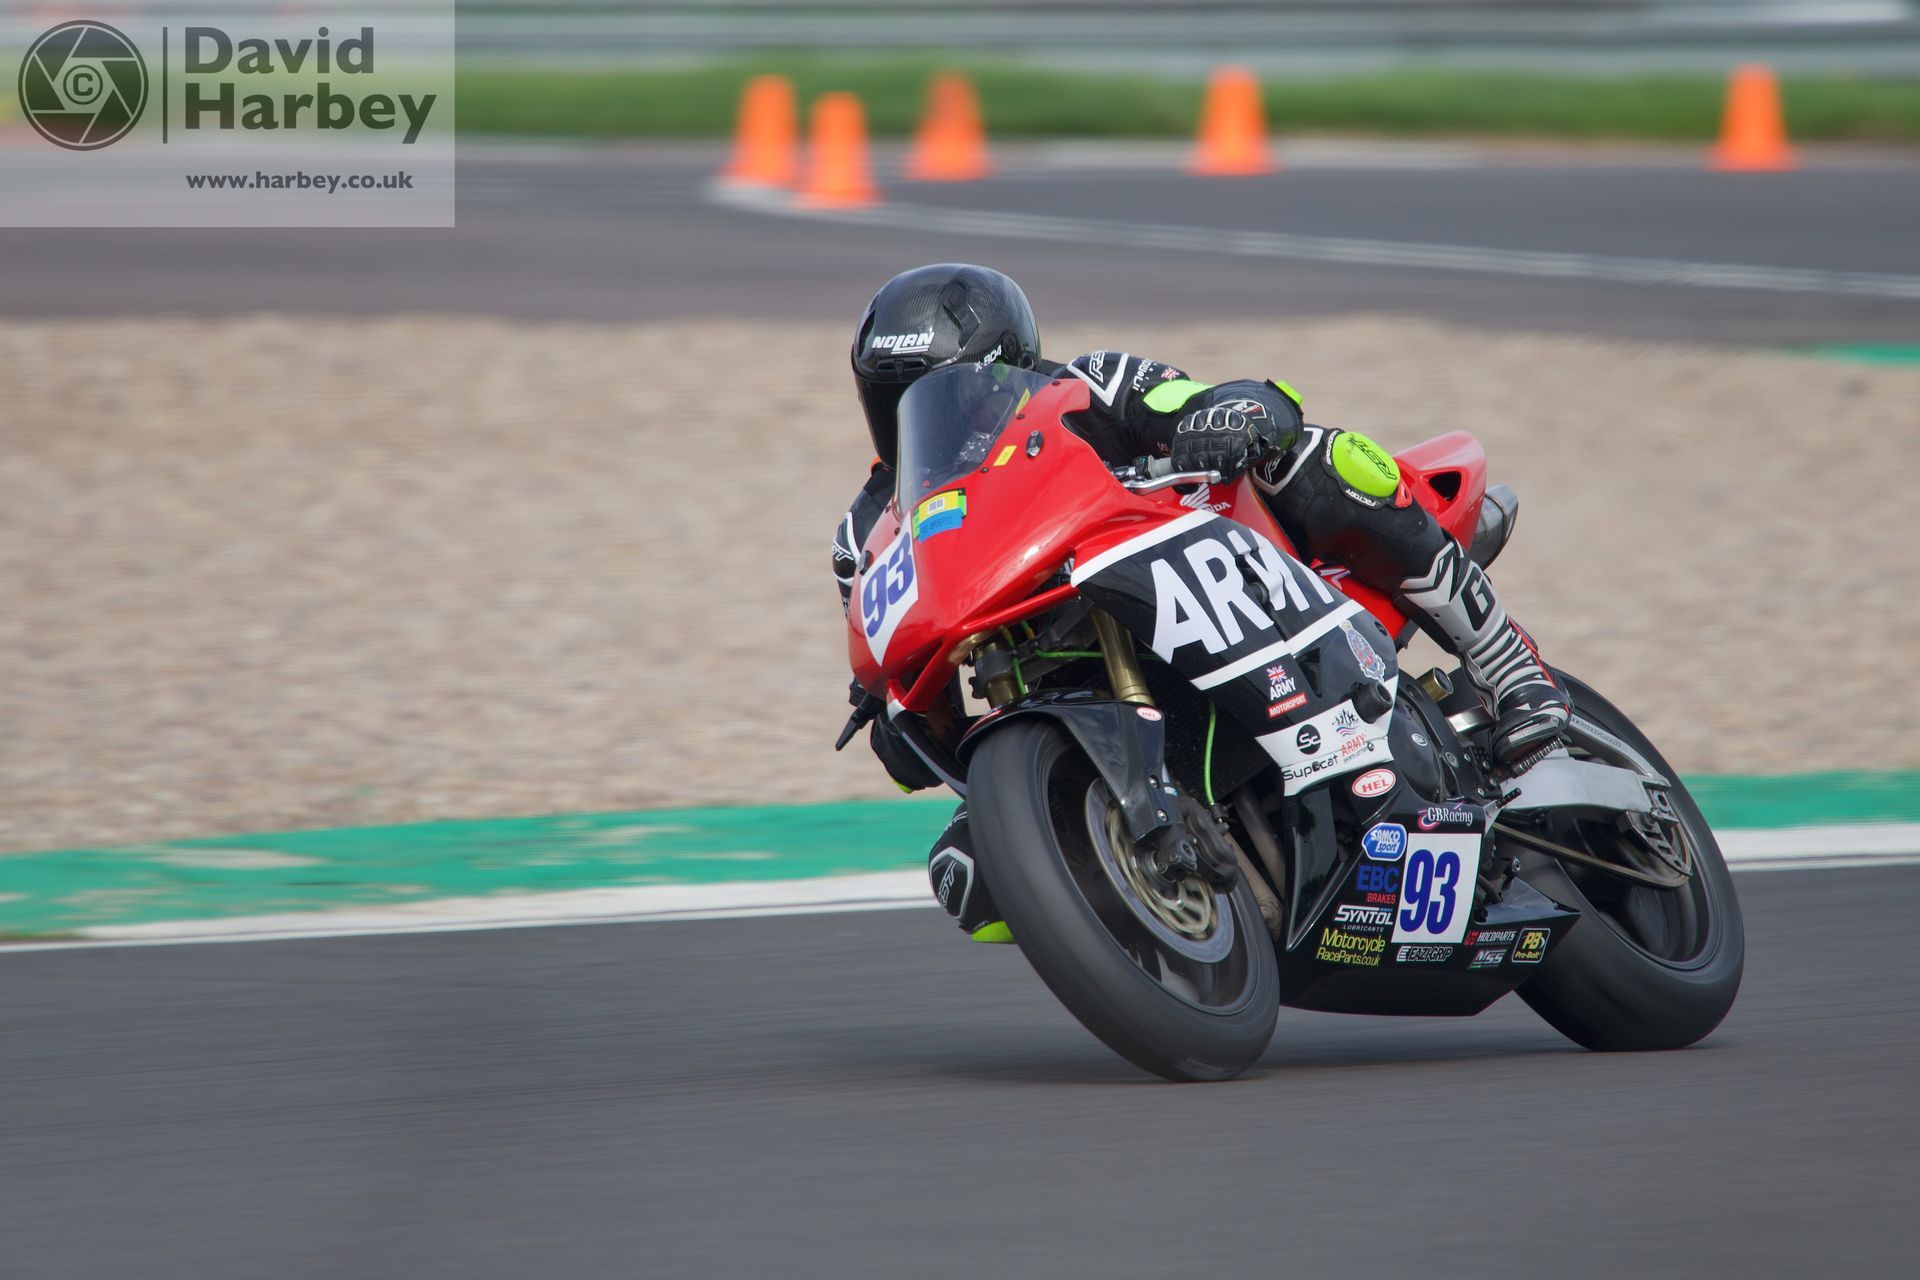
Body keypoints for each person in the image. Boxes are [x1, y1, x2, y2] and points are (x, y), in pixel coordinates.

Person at [832, 264, 1568, 933]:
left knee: (1316, 458)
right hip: (1053, 674)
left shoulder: (1084, 387)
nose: (926, 420)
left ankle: (1511, 667)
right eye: (898, 401)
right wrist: (894, 711)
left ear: (1010, 369)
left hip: (1240, 581)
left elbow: (1196, 401)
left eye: (951, 392)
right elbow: (893, 690)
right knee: (973, 877)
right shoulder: (870, 527)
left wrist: (1225, 415)